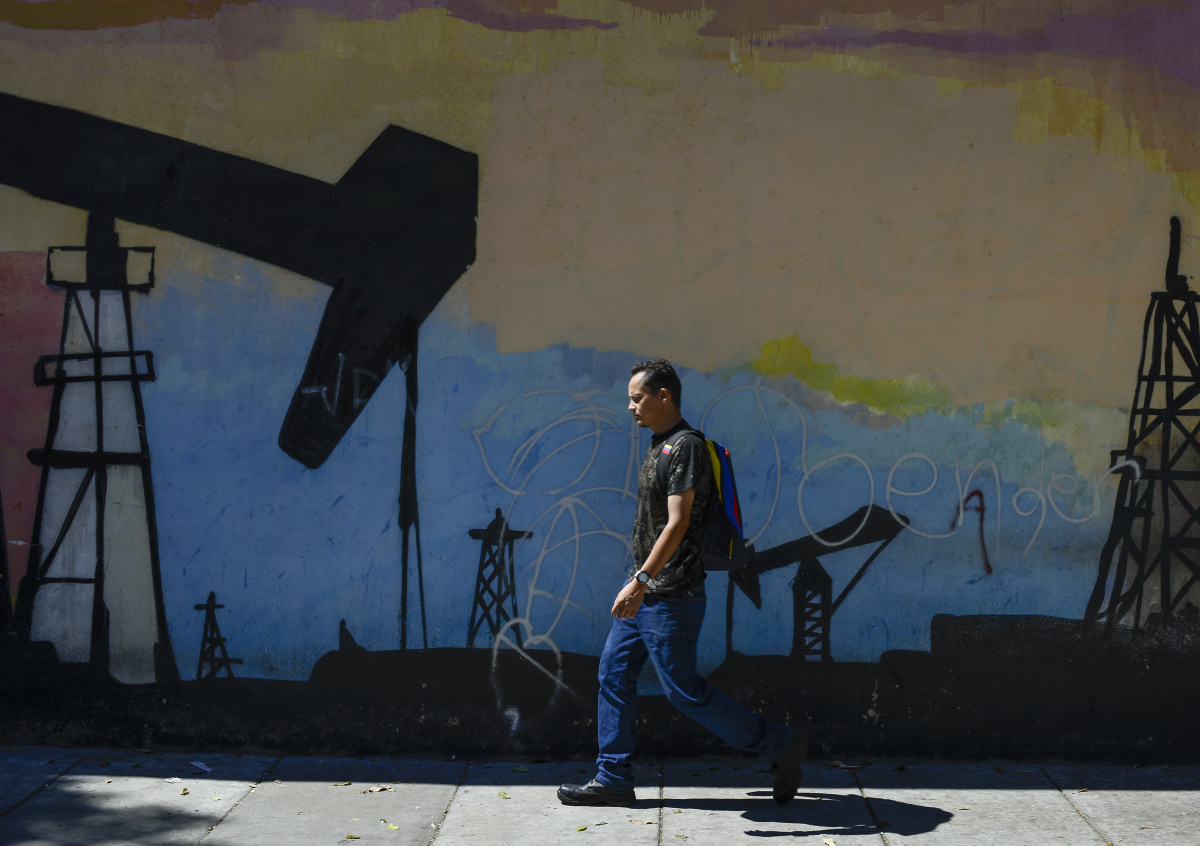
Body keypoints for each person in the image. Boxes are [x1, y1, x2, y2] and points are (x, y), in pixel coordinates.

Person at [558, 359, 805, 808]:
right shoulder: (659, 446)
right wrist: (639, 582)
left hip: (671, 593)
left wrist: (641, 580)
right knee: (613, 674)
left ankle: (780, 745)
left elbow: (678, 522)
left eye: (637, 398)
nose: (630, 406)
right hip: (646, 591)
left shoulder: (685, 448)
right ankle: (613, 778)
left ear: (663, 395)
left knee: (685, 692)